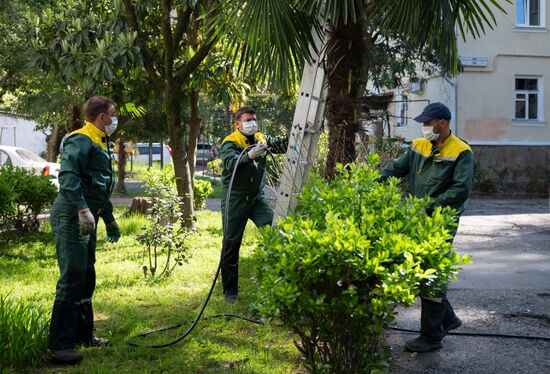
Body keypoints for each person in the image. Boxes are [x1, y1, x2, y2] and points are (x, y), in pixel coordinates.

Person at [378, 102, 474, 353]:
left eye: (427, 123)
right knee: (421, 268)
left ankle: (431, 337)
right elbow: (396, 169)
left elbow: (460, 190)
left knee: (429, 272)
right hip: (417, 218)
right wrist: (370, 183)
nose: (423, 128)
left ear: (441, 124)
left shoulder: (462, 152)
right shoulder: (419, 146)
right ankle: (448, 318)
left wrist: (430, 206)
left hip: (441, 221)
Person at [48, 96, 121, 364]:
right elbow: (68, 177)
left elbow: (98, 184)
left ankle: (83, 335)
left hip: (88, 216)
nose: (115, 119)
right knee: (73, 275)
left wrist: (109, 218)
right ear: (102, 117)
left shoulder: (101, 141)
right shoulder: (81, 139)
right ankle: (60, 345)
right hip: (72, 215)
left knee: (86, 274)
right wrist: (81, 208)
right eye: (113, 114)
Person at [219, 106, 288, 303]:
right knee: (231, 244)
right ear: (238, 124)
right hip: (235, 200)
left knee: (273, 231)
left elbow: (281, 144)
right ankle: (230, 293)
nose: (252, 123)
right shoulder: (230, 143)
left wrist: (297, 134)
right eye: (248, 120)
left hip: (256, 200)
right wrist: (249, 155)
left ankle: (279, 285)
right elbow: (230, 162)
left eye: (254, 119)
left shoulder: (260, 138)